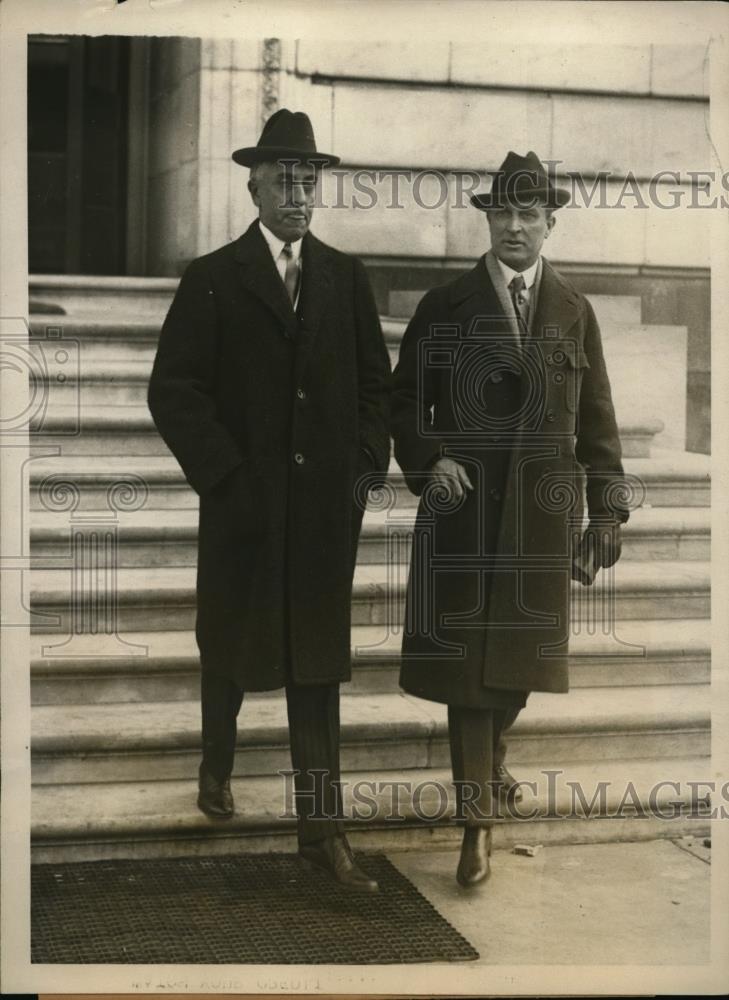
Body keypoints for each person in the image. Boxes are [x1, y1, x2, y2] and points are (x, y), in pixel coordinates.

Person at [148, 109, 391, 893]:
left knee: (314, 665)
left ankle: (322, 833)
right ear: (252, 187)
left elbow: (375, 390)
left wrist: (362, 470)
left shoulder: (345, 277)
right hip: (242, 508)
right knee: (230, 643)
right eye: (284, 181)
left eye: (308, 182)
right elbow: (174, 391)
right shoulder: (212, 276)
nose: (297, 196)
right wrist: (226, 479)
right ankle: (215, 762)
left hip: (321, 514)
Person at [391, 151, 629, 887]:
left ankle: (492, 761)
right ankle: (476, 827)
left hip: (539, 522)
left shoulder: (574, 310)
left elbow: (597, 419)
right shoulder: (445, 305)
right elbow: (403, 402)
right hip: (464, 518)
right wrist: (430, 459)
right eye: (503, 213)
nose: (515, 226)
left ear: (550, 223)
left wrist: (606, 509)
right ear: (487, 220)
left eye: (529, 214)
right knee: (469, 680)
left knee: (518, 674)